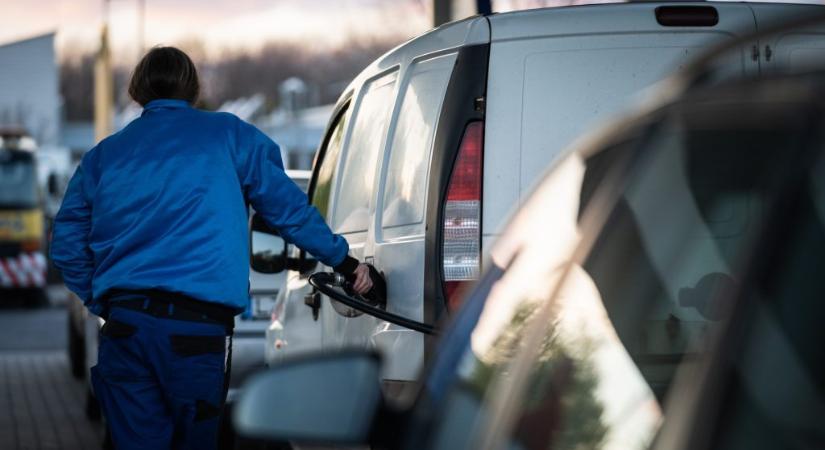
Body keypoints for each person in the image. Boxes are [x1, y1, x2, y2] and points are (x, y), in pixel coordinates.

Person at [50, 46, 373, 450]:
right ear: (193, 88)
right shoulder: (231, 136)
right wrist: (344, 261)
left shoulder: (103, 157)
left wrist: (104, 302)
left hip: (126, 330)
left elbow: (66, 245)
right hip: (196, 333)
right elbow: (290, 212)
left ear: (136, 90)